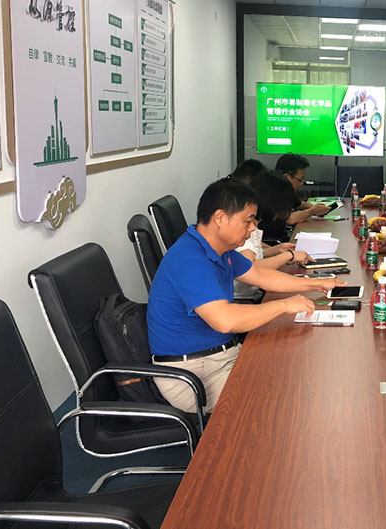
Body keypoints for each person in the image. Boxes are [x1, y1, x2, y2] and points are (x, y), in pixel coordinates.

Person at [147, 177, 343, 413]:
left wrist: (317, 283)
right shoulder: (190, 260)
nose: (252, 228)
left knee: (295, 366)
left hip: (220, 357)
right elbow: (225, 320)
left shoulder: (217, 248)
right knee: (285, 391)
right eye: (248, 221)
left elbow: (259, 274)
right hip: (194, 375)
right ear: (220, 218)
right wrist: (283, 305)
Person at [275, 153, 331, 224]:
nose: (301, 184)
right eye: (300, 180)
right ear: (287, 177)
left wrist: (317, 208)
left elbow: (301, 205)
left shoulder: (286, 191)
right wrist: (311, 211)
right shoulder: (272, 192)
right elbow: (290, 218)